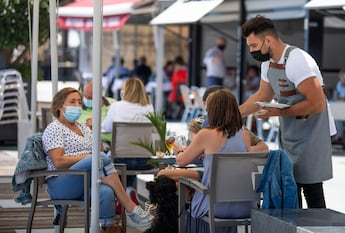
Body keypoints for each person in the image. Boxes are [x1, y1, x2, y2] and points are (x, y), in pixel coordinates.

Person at [239, 15, 332, 208]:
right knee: (290, 185)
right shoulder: (267, 62)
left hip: (311, 131)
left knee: (312, 188)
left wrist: (278, 113)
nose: (251, 51)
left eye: (254, 46)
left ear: (268, 40)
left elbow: (317, 104)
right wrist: (233, 114)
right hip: (291, 131)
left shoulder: (298, 60)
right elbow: (262, 95)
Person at [41, 87, 154, 232]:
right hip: (61, 183)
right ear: (59, 105)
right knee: (99, 159)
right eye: (72, 102)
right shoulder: (54, 128)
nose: (77, 105)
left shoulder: (82, 127)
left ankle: (108, 228)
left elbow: (99, 151)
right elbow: (58, 161)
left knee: (105, 191)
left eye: (79, 102)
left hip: (85, 180)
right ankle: (130, 207)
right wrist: (90, 158)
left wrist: (95, 131)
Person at [175, 89, 267, 232]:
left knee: (184, 189)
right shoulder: (244, 134)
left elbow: (181, 162)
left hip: (216, 207)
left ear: (212, 111)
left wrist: (180, 151)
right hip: (245, 206)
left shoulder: (205, 134)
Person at [102, 78, 155, 187]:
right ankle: (130, 190)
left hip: (120, 160)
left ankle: (124, 193)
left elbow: (106, 128)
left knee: (103, 159)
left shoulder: (116, 106)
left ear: (125, 91)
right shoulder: (149, 107)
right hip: (145, 161)